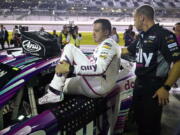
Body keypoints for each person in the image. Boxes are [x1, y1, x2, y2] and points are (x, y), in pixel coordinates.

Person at [122, 5, 180, 135]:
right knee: (139, 124)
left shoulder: (164, 35)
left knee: (150, 127)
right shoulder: (142, 37)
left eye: (134, 19)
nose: (133, 22)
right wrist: (107, 49)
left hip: (154, 89)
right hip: (139, 86)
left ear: (142, 18)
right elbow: (127, 51)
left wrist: (166, 87)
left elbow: (178, 63)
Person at [38, 19, 121, 105]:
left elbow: (99, 68)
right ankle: (53, 91)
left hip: (98, 86)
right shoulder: (110, 44)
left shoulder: (108, 45)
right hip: (99, 84)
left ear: (106, 32)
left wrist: (70, 68)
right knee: (50, 86)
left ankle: (53, 94)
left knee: (69, 47)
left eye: (96, 31)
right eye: (93, 30)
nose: (93, 33)